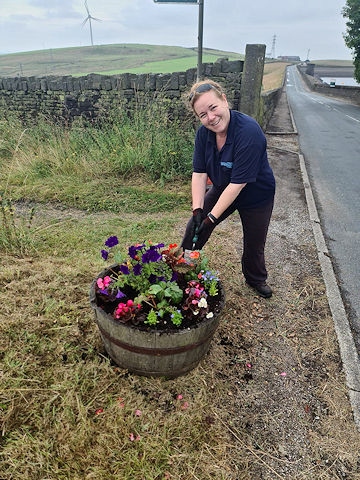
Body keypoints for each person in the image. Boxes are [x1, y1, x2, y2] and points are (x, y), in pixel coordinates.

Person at [181, 79, 275, 298]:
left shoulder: (248, 132)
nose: (211, 118)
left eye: (213, 108)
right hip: (224, 188)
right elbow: (199, 173)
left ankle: (255, 279)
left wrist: (211, 219)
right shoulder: (204, 135)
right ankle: (183, 267)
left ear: (224, 99)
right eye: (203, 115)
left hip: (256, 195)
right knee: (194, 227)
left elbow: (238, 184)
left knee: (254, 242)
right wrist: (198, 211)